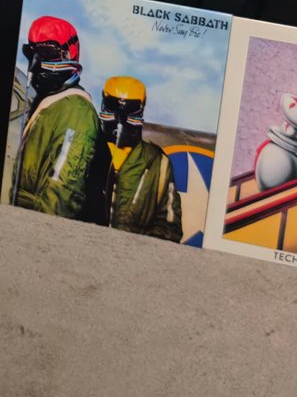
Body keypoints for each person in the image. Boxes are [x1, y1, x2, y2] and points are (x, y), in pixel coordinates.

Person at [11, 16, 100, 219]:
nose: (34, 64)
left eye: (46, 54)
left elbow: (60, 200)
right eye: (32, 54)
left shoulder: (77, 112)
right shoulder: (49, 103)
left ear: (69, 53)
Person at [91, 75, 182, 242]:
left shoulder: (158, 163)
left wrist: (134, 247)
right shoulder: (88, 146)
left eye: (130, 109)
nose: (120, 117)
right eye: (113, 106)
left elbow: (170, 228)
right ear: (104, 103)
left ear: (141, 110)